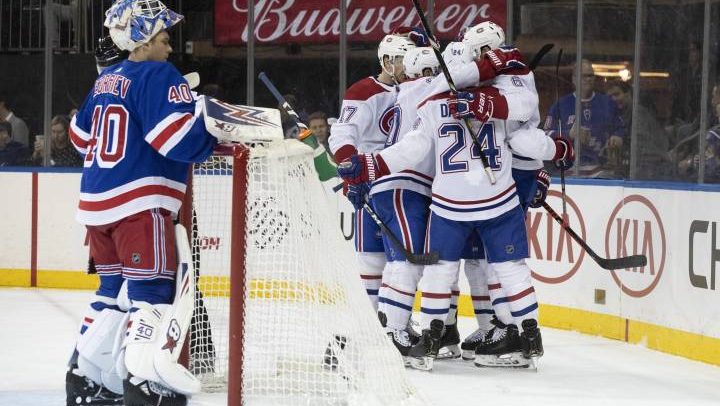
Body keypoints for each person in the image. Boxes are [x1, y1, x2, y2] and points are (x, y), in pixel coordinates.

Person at [65, 1, 218, 405]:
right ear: (145, 38)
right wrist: (211, 126)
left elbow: (79, 139)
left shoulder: (106, 79)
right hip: (140, 204)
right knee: (153, 293)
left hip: (97, 205)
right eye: (164, 39)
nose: (170, 49)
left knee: (112, 291)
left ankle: (85, 376)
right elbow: (178, 141)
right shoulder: (159, 73)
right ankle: (145, 383)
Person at [328, 30, 417, 311]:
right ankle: (370, 322)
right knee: (370, 257)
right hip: (371, 181)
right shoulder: (364, 91)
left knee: (403, 260)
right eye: (404, 59)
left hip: (405, 182)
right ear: (388, 60)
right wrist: (351, 173)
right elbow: (342, 135)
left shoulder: (417, 88)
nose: (409, 65)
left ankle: (392, 320)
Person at [544, 59, 624, 177]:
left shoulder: (607, 103)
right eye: (584, 76)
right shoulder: (561, 105)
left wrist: (618, 135)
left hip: (601, 169)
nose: (588, 79)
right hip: (567, 170)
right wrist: (568, 134)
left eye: (591, 75)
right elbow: (545, 135)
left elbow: (620, 126)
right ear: (574, 79)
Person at [606, 81, 671, 180]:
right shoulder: (617, 115)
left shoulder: (638, 113)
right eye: (610, 96)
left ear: (628, 94)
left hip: (650, 167)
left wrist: (622, 143)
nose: (614, 99)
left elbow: (642, 145)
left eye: (617, 94)